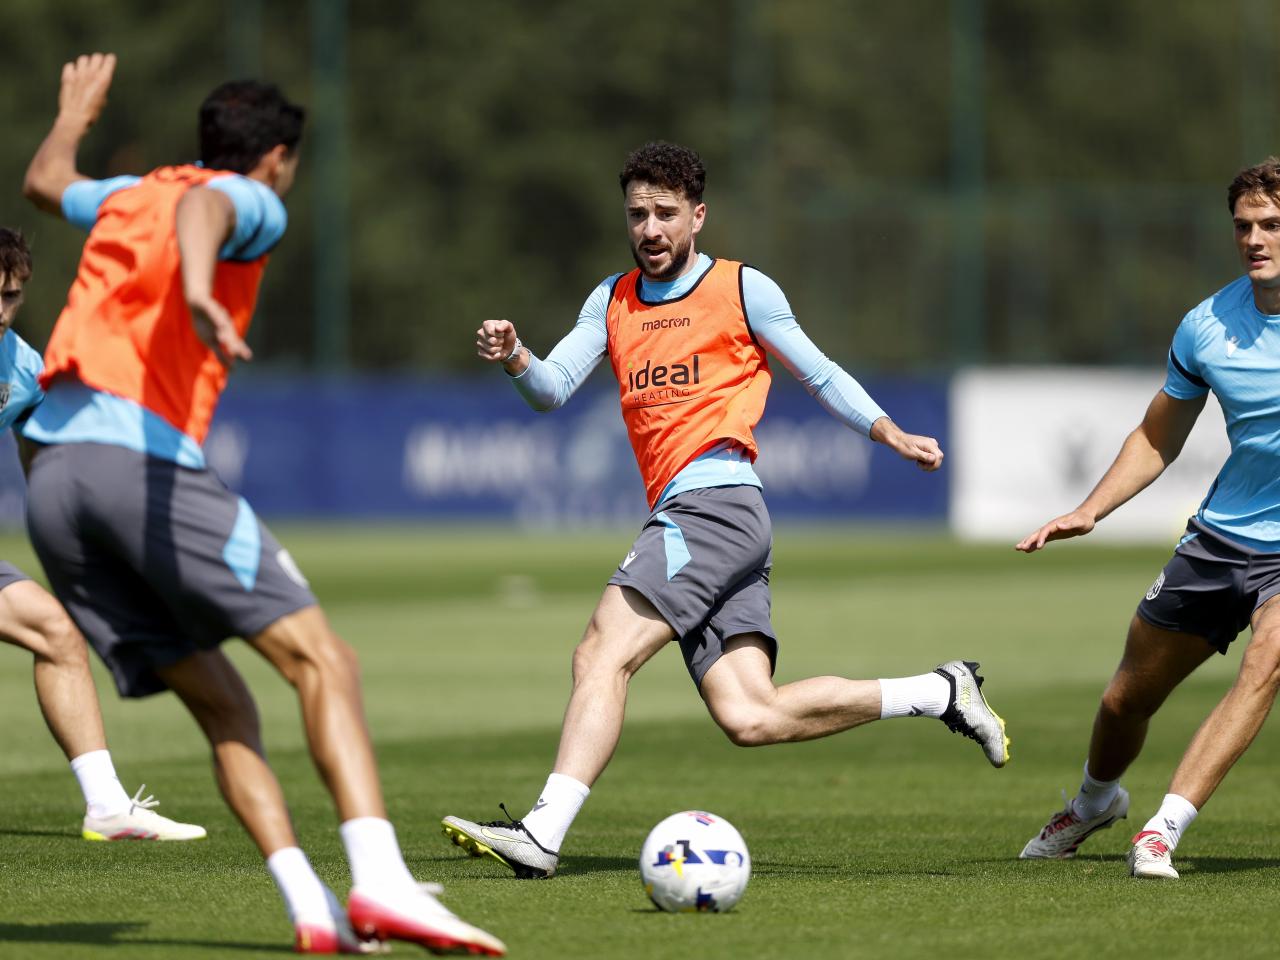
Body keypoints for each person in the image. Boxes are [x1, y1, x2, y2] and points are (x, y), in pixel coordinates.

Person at [22, 53, 504, 955]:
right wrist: (201, 286)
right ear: (276, 157)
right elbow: (211, 207)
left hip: (49, 483)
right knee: (327, 663)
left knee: (226, 708)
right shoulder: (251, 198)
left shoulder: (127, 194)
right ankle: (383, 885)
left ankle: (311, 908)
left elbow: (45, 181)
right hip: (136, 466)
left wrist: (75, 114)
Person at [442, 141, 1009, 880]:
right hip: (721, 521)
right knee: (751, 715)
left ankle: (544, 833)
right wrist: (518, 354)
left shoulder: (743, 289)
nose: (649, 228)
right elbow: (552, 390)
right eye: (637, 214)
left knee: (600, 653)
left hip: (713, 505)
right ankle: (939, 691)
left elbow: (821, 372)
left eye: (665, 214)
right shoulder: (611, 300)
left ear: (699, 216)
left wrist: (889, 431)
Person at [1017, 157, 1280, 879]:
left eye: (1272, 225)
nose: (1255, 239)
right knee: (1126, 697)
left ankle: (1162, 830)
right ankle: (1096, 801)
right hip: (1223, 539)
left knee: (1266, 664)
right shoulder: (1207, 327)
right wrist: (1089, 509)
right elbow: (1158, 436)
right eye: (1244, 226)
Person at [0, 227, 204, 843]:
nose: (0, 311)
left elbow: (43, 464)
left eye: (10, 296)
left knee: (58, 632)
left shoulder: (22, 366)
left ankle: (107, 806)